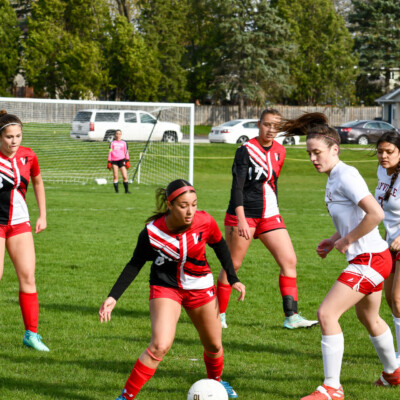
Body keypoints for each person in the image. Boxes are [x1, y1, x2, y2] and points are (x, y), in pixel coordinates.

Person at [281, 113, 400, 399]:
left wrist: (347, 239)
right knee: (369, 317)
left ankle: (332, 387)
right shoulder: (334, 177)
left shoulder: (346, 175)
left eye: (317, 152)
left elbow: (376, 214)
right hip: (372, 257)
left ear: (334, 149)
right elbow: (355, 217)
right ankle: (393, 373)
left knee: (327, 313)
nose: (312, 158)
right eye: (309, 153)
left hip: (370, 259)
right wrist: (334, 238)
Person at [99, 179, 246, 400]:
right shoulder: (151, 233)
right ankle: (125, 397)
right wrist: (113, 296)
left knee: (214, 345)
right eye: (183, 205)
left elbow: (219, 245)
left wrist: (233, 278)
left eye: (194, 204)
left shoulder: (205, 221)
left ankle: (215, 385)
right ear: (169, 205)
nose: (190, 211)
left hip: (200, 286)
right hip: (166, 287)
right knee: (159, 345)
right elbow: (135, 263)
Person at [217, 108, 318, 329]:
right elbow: (237, 187)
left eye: (275, 125)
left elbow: (272, 184)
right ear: (259, 124)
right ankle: (218, 315)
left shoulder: (281, 151)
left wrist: (276, 210)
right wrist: (241, 219)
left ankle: (291, 317)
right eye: (267, 124)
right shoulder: (245, 150)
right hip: (243, 214)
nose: (271, 129)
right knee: (233, 263)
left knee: (289, 261)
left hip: (270, 215)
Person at [0, 110, 49, 351]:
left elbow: (38, 182)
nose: (14, 141)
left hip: (20, 223)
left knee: (28, 276)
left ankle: (31, 335)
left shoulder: (29, 156)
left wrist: (42, 215)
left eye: (18, 136)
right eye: (9, 136)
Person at [375, 130, 400, 365]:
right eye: (380, 151)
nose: (384, 156)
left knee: (398, 298)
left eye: (389, 152)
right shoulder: (382, 171)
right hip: (389, 243)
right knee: (391, 301)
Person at [107, 129, 131, 194]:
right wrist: (109, 161)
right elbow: (110, 152)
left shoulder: (124, 143)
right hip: (114, 161)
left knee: (125, 176)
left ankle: (126, 191)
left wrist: (127, 160)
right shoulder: (112, 143)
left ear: (121, 135)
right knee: (115, 176)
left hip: (122, 160)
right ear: (115, 135)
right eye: (117, 134)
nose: (118, 135)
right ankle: (117, 191)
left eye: (119, 134)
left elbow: (126, 152)